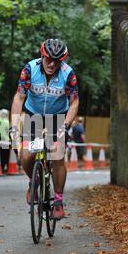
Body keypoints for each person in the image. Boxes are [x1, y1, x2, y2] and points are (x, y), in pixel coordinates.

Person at [10, 38, 79, 219]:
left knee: (57, 153)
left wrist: (66, 125)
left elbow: (74, 102)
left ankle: (57, 200)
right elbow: (19, 98)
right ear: (42, 55)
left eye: (57, 60)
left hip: (58, 118)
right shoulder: (29, 70)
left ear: (61, 60)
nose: (52, 64)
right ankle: (35, 181)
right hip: (34, 117)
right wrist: (13, 127)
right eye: (48, 59)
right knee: (26, 155)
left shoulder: (68, 73)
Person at [0, 108, 10, 173]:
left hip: (1, 139)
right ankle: (7, 167)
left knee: (1, 154)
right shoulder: (7, 121)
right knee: (7, 154)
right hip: (7, 140)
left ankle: (2, 168)